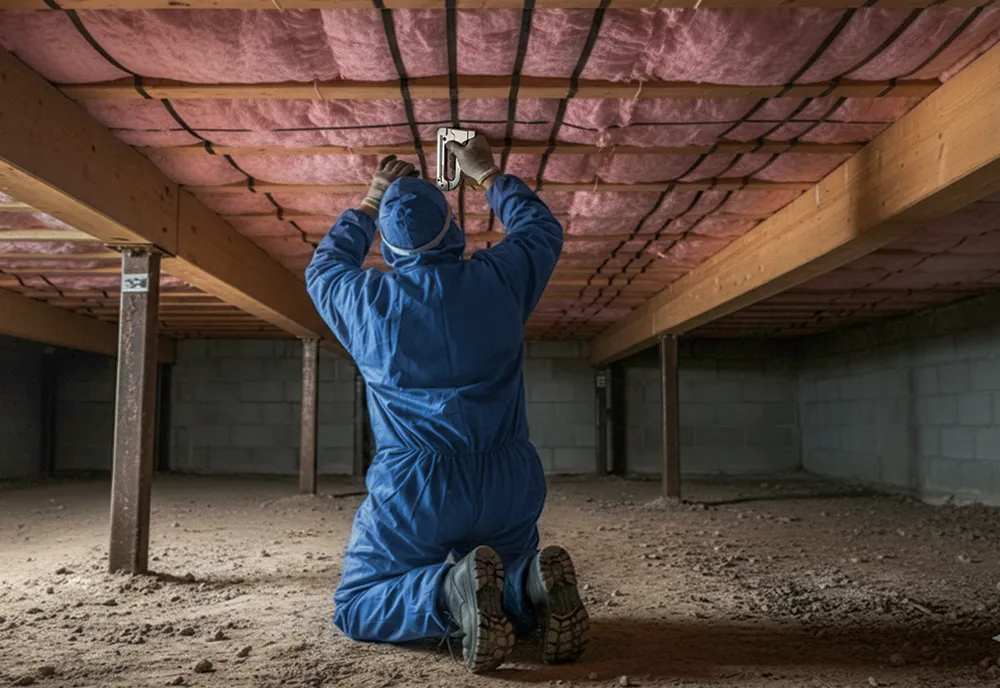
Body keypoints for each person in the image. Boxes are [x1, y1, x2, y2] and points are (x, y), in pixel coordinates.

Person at [304, 137, 590, 673]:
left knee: (357, 605)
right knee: (506, 568)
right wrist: (487, 175)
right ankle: (528, 587)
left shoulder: (367, 300)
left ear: (389, 249)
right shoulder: (499, 279)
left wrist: (371, 200)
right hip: (507, 477)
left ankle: (446, 591)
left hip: (417, 488)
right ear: (454, 233)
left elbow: (323, 268)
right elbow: (541, 231)